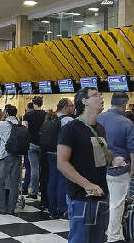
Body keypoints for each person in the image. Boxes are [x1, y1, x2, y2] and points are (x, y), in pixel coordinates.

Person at [58, 87, 114, 243]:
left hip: (102, 194)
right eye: (96, 95)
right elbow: (62, 163)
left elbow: (101, 155)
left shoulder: (100, 129)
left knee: (99, 238)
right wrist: (87, 185)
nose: (101, 98)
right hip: (81, 198)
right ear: (84, 101)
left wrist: (113, 159)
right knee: (80, 239)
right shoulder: (71, 129)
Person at [97, 92, 134, 243]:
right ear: (124, 104)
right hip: (119, 170)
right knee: (117, 204)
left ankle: (110, 231)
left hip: (99, 168)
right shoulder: (127, 123)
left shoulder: (98, 118)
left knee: (104, 202)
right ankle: (113, 236)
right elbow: (132, 149)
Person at [47, 98, 74, 219]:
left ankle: (52, 208)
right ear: (65, 108)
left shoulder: (53, 117)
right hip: (62, 154)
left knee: (52, 180)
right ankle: (62, 208)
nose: (73, 108)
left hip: (50, 152)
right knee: (62, 181)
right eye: (71, 106)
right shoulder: (68, 120)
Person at [0, 105, 22, 215]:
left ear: (6, 113)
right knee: (14, 183)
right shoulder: (19, 124)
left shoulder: (1, 124)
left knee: (0, 182)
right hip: (17, 156)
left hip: (5, 156)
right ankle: (11, 208)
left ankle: (2, 207)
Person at [22, 96, 47, 201]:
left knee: (34, 169)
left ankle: (33, 192)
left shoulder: (27, 115)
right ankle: (43, 190)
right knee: (44, 169)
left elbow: (24, 130)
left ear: (33, 103)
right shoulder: (46, 115)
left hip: (31, 144)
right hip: (43, 144)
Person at [21, 102, 34, 194]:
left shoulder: (27, 116)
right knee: (37, 168)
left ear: (28, 108)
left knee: (29, 167)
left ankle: (25, 187)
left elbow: (24, 129)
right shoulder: (44, 115)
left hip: (29, 144)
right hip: (41, 144)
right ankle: (35, 189)